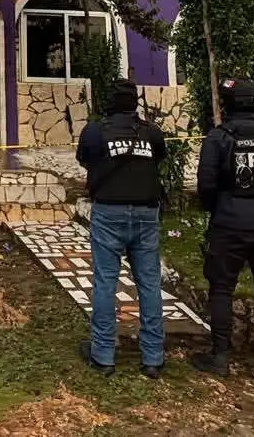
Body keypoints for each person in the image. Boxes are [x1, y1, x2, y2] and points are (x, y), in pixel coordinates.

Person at [192, 77, 254, 380]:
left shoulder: (219, 138)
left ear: (227, 104)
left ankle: (220, 356)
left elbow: (205, 185)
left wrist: (219, 208)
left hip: (230, 224)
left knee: (221, 287)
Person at [75, 78, 167, 379]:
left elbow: (84, 160)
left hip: (109, 213)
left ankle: (103, 355)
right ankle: (152, 357)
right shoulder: (151, 132)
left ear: (108, 102)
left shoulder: (95, 131)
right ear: (135, 102)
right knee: (150, 284)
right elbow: (159, 159)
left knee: (105, 282)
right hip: (146, 214)